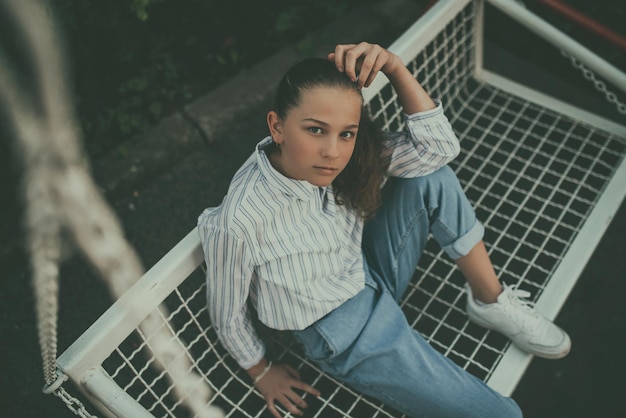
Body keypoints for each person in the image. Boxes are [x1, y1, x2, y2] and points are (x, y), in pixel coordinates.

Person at [198, 42, 570, 418]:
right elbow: (227, 313)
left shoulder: (345, 157)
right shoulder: (239, 221)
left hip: (365, 269)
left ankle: (489, 300)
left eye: (346, 133)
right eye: (315, 130)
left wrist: (395, 69)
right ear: (277, 126)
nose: (332, 151)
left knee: (431, 179)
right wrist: (261, 371)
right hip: (342, 330)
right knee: (504, 416)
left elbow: (437, 151)